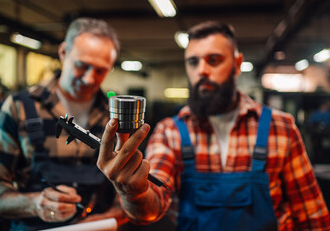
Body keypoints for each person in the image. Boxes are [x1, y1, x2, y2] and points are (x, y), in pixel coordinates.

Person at [97, 21, 330, 230]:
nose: (202, 70)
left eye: (214, 60)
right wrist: (133, 192)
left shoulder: (281, 128)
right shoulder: (170, 132)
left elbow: (313, 216)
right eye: (193, 62)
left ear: (237, 64)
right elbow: (152, 205)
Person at [0, 17, 127, 230]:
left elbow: (131, 194)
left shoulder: (116, 116)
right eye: (81, 66)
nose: (88, 79)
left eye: (101, 70)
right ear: (64, 52)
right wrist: (34, 204)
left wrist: (110, 218)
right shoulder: (19, 107)